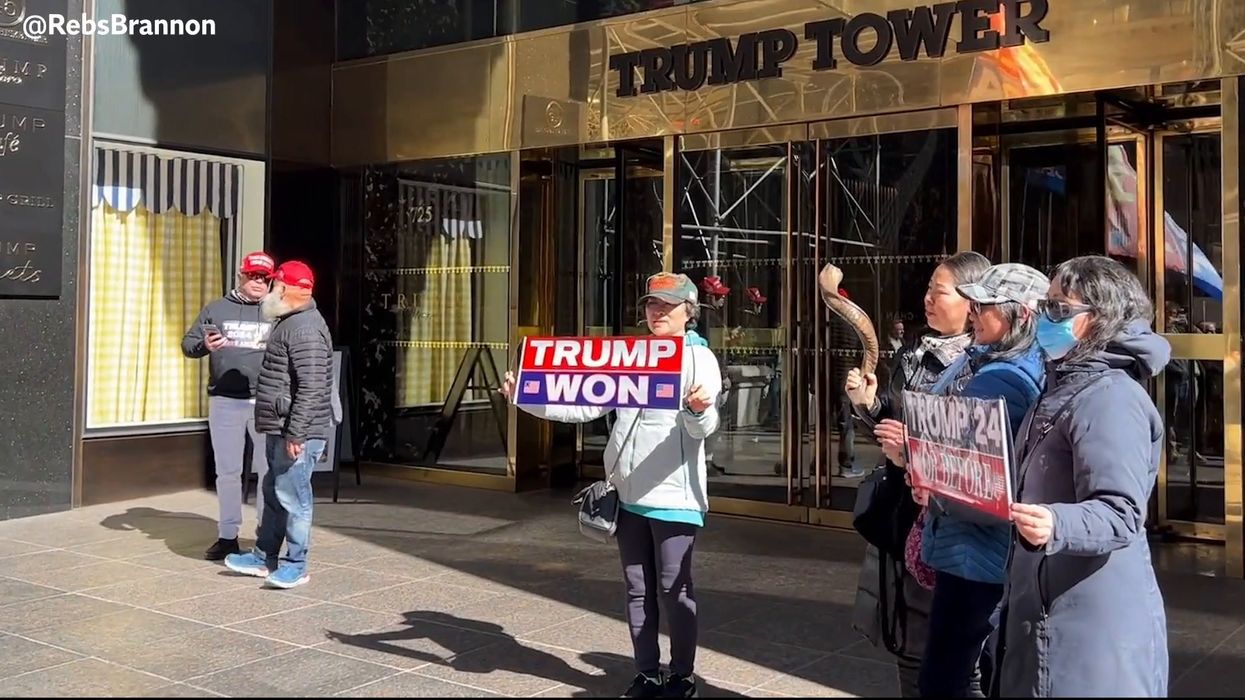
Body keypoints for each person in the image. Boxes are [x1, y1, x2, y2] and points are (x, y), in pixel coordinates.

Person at [501, 272, 721, 699]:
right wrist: (526, 396)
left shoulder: (699, 360)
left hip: (675, 497)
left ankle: (682, 676)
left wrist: (697, 411)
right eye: (651, 304)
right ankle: (646, 674)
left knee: (676, 590)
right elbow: (584, 403)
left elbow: (704, 429)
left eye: (667, 306)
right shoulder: (632, 355)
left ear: (688, 313)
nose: (657, 312)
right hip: (629, 497)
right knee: (638, 589)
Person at [990, 255, 1170, 697]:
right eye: (1046, 304)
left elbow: (1121, 512)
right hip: (1049, 606)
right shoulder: (1063, 388)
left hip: (1089, 625)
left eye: (1059, 309)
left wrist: (1056, 523)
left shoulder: (1110, 398)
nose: (1045, 318)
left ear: (1098, 320)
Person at [876, 263, 1049, 697]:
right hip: (966, 543)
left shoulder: (1005, 379)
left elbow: (980, 471)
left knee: (951, 674)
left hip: (976, 549)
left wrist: (915, 461)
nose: (974, 311)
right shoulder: (989, 361)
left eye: (985, 306)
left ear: (1020, 316)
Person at [845, 251, 990, 697]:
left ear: (972, 303)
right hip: (906, 516)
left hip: (958, 523)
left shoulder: (985, 367)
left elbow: (979, 453)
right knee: (910, 643)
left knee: (962, 656)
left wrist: (916, 454)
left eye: (939, 291)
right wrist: (867, 405)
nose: (927, 299)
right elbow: (891, 423)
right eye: (928, 289)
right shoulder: (913, 354)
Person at [224, 261, 335, 590]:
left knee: (294, 498)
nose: (271, 291)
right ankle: (263, 556)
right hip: (282, 426)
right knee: (274, 492)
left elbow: (313, 386)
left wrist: (296, 432)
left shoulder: (304, 328)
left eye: (275, 286)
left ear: (286, 290)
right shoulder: (290, 322)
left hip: (295, 431)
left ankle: (296, 565)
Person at [181, 251, 276, 560]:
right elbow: (188, 345)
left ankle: (267, 535)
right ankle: (227, 535)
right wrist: (204, 345)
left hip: (264, 400)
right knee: (228, 472)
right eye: (254, 276)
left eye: (265, 278)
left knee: (268, 471)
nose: (259, 282)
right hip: (225, 400)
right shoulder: (217, 308)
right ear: (241, 275)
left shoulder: (277, 311)